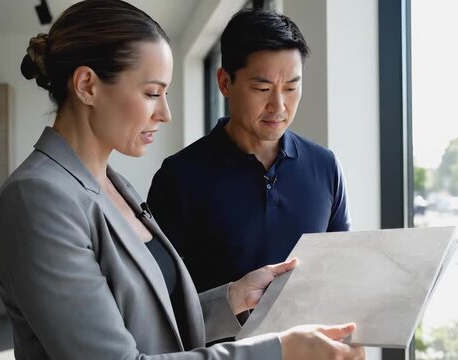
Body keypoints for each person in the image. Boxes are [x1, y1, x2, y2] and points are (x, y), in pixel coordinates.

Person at [0, 1, 365, 359]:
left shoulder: (118, 188)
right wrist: (279, 351)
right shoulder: (37, 198)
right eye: (152, 93)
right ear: (87, 85)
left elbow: (153, 326)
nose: (165, 113)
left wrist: (234, 297)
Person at [147, 8, 351, 294]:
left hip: (310, 339)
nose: (279, 106)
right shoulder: (179, 176)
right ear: (225, 82)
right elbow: (155, 297)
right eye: (262, 88)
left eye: (291, 88)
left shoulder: (325, 166)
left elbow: (341, 271)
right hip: (219, 340)